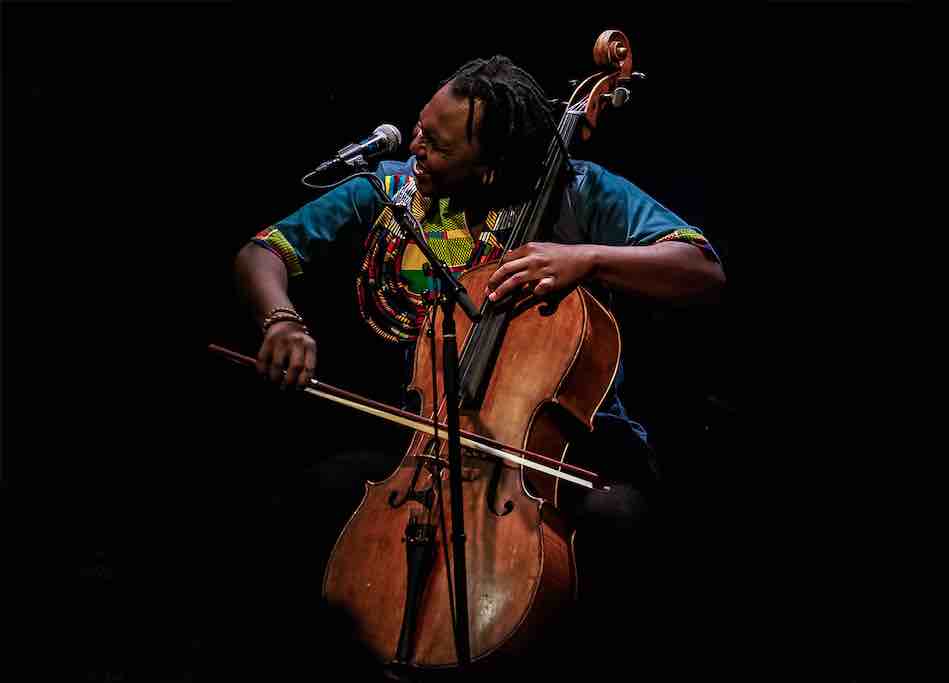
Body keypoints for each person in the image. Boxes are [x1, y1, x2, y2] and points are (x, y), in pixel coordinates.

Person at [232, 55, 724, 678]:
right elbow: (264, 252)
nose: (414, 147)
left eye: (436, 145)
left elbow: (702, 269)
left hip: (568, 452)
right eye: (419, 127)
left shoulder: (579, 189)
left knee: (620, 533)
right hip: (425, 442)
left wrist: (589, 258)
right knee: (308, 497)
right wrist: (281, 319)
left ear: (488, 168)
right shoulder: (395, 189)